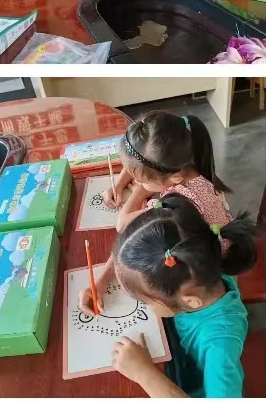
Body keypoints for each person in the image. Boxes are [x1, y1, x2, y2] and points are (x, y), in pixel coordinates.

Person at [101, 194, 257, 397]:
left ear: (189, 301)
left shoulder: (221, 347)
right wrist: (103, 279)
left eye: (146, 301)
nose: (144, 307)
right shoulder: (197, 268)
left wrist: (144, 374)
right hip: (175, 358)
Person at [85, 111, 233, 310]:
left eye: (140, 179)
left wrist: (136, 192)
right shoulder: (184, 162)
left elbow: (125, 226)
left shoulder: (176, 206)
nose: (135, 181)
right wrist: (120, 184)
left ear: (174, 178)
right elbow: (139, 163)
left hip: (202, 277)